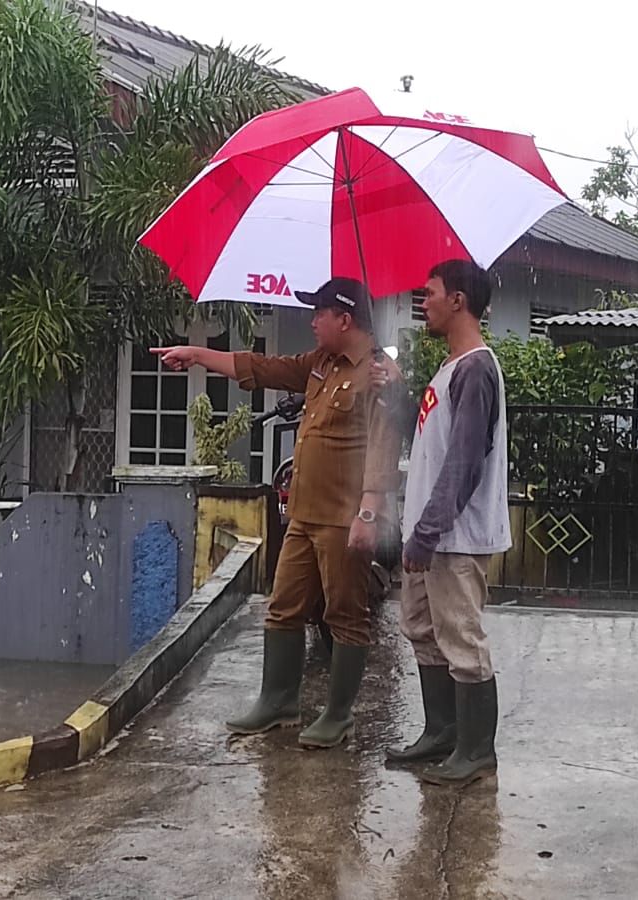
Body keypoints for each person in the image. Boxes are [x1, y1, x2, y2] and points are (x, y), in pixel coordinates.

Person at [151, 277, 403, 749]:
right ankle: (279, 702)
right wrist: (198, 354)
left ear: (344, 319)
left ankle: (339, 715)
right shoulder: (320, 363)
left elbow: (383, 447)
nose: (313, 322)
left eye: (319, 313)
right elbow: (263, 368)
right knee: (283, 606)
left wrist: (369, 512)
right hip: (304, 515)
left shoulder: (379, 375)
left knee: (345, 614)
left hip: (343, 518)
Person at [374, 258, 509, 786]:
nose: (422, 301)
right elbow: (431, 437)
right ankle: (443, 732)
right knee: (423, 630)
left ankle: (476, 752)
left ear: (458, 300)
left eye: (430, 293)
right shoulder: (452, 367)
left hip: (454, 537)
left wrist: (427, 532)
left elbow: (465, 460)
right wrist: (401, 392)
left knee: (461, 638)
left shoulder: (476, 368)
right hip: (431, 534)